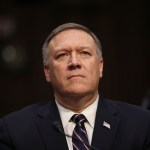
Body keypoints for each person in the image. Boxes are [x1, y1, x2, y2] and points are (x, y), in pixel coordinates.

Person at [0, 23, 150, 150]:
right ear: (47, 72)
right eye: (62, 55)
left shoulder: (142, 125)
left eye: (84, 53)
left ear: (100, 67)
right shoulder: (14, 130)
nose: (74, 62)